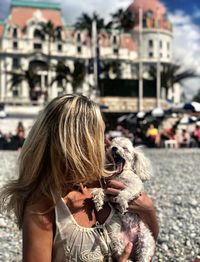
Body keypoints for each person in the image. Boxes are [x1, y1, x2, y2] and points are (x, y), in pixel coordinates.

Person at [0, 94, 158, 261]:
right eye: (100, 135)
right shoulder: (43, 207)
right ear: (77, 145)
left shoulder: (107, 182)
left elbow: (145, 244)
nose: (107, 143)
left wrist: (148, 211)